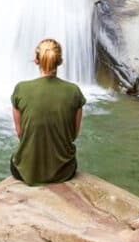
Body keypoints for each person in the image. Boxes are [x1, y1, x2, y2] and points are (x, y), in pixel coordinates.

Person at [9, 38, 86, 185]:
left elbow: (20, 133)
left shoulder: (21, 89)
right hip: (64, 171)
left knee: (15, 159)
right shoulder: (74, 91)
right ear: (60, 61)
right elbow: (73, 135)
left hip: (25, 170)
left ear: (36, 61)